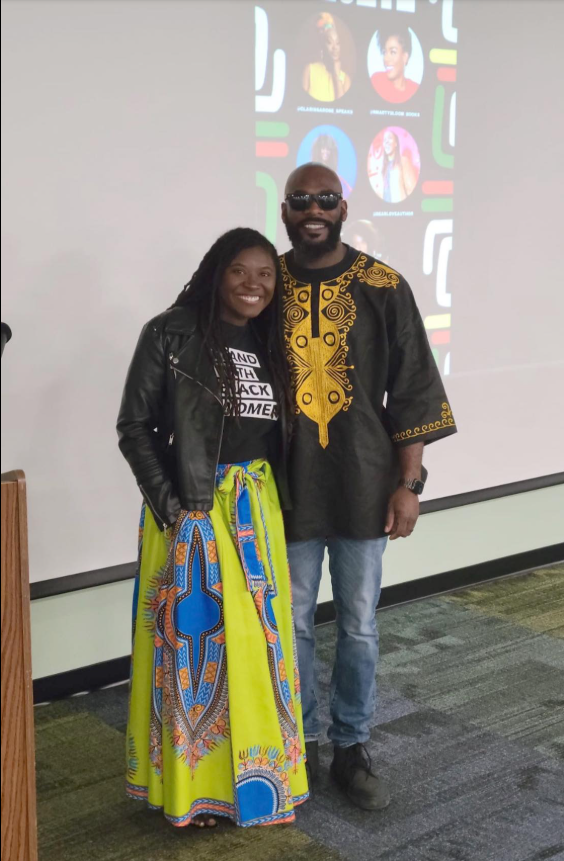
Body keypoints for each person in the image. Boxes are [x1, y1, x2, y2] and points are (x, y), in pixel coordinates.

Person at [117, 228, 309, 828]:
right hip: (194, 508)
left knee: (258, 656)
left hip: (256, 512)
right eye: (240, 272)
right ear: (216, 273)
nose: (254, 285)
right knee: (195, 658)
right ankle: (194, 793)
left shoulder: (270, 339)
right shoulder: (169, 332)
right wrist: (176, 510)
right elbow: (135, 426)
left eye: (266, 275)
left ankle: (254, 785)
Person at [279, 164, 456, 810]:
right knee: (291, 621)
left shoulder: (383, 285)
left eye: (325, 199)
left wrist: (409, 483)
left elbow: (412, 389)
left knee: (357, 624)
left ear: (344, 206)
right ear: (286, 210)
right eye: (301, 201)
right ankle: (297, 746)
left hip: (363, 483)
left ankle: (351, 745)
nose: (314, 210)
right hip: (287, 491)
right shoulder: (265, 284)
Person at [303, 12, 351, 102]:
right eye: (329, 42)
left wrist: (336, 76)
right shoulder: (310, 70)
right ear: (322, 44)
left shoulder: (346, 79)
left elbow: (343, 107)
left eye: (337, 43)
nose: (335, 48)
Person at [371, 29, 420, 104]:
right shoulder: (377, 81)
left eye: (393, 52)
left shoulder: (415, 89)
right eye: (384, 52)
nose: (386, 58)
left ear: (405, 57)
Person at [370, 129, 418, 204]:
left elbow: (411, 189)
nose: (386, 142)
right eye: (384, 140)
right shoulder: (382, 166)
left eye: (390, 138)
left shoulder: (404, 161)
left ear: (396, 143)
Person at [310, 133, 353, 198]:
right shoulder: (310, 177)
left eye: (328, 149)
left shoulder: (339, 181)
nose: (326, 152)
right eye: (323, 149)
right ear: (318, 150)